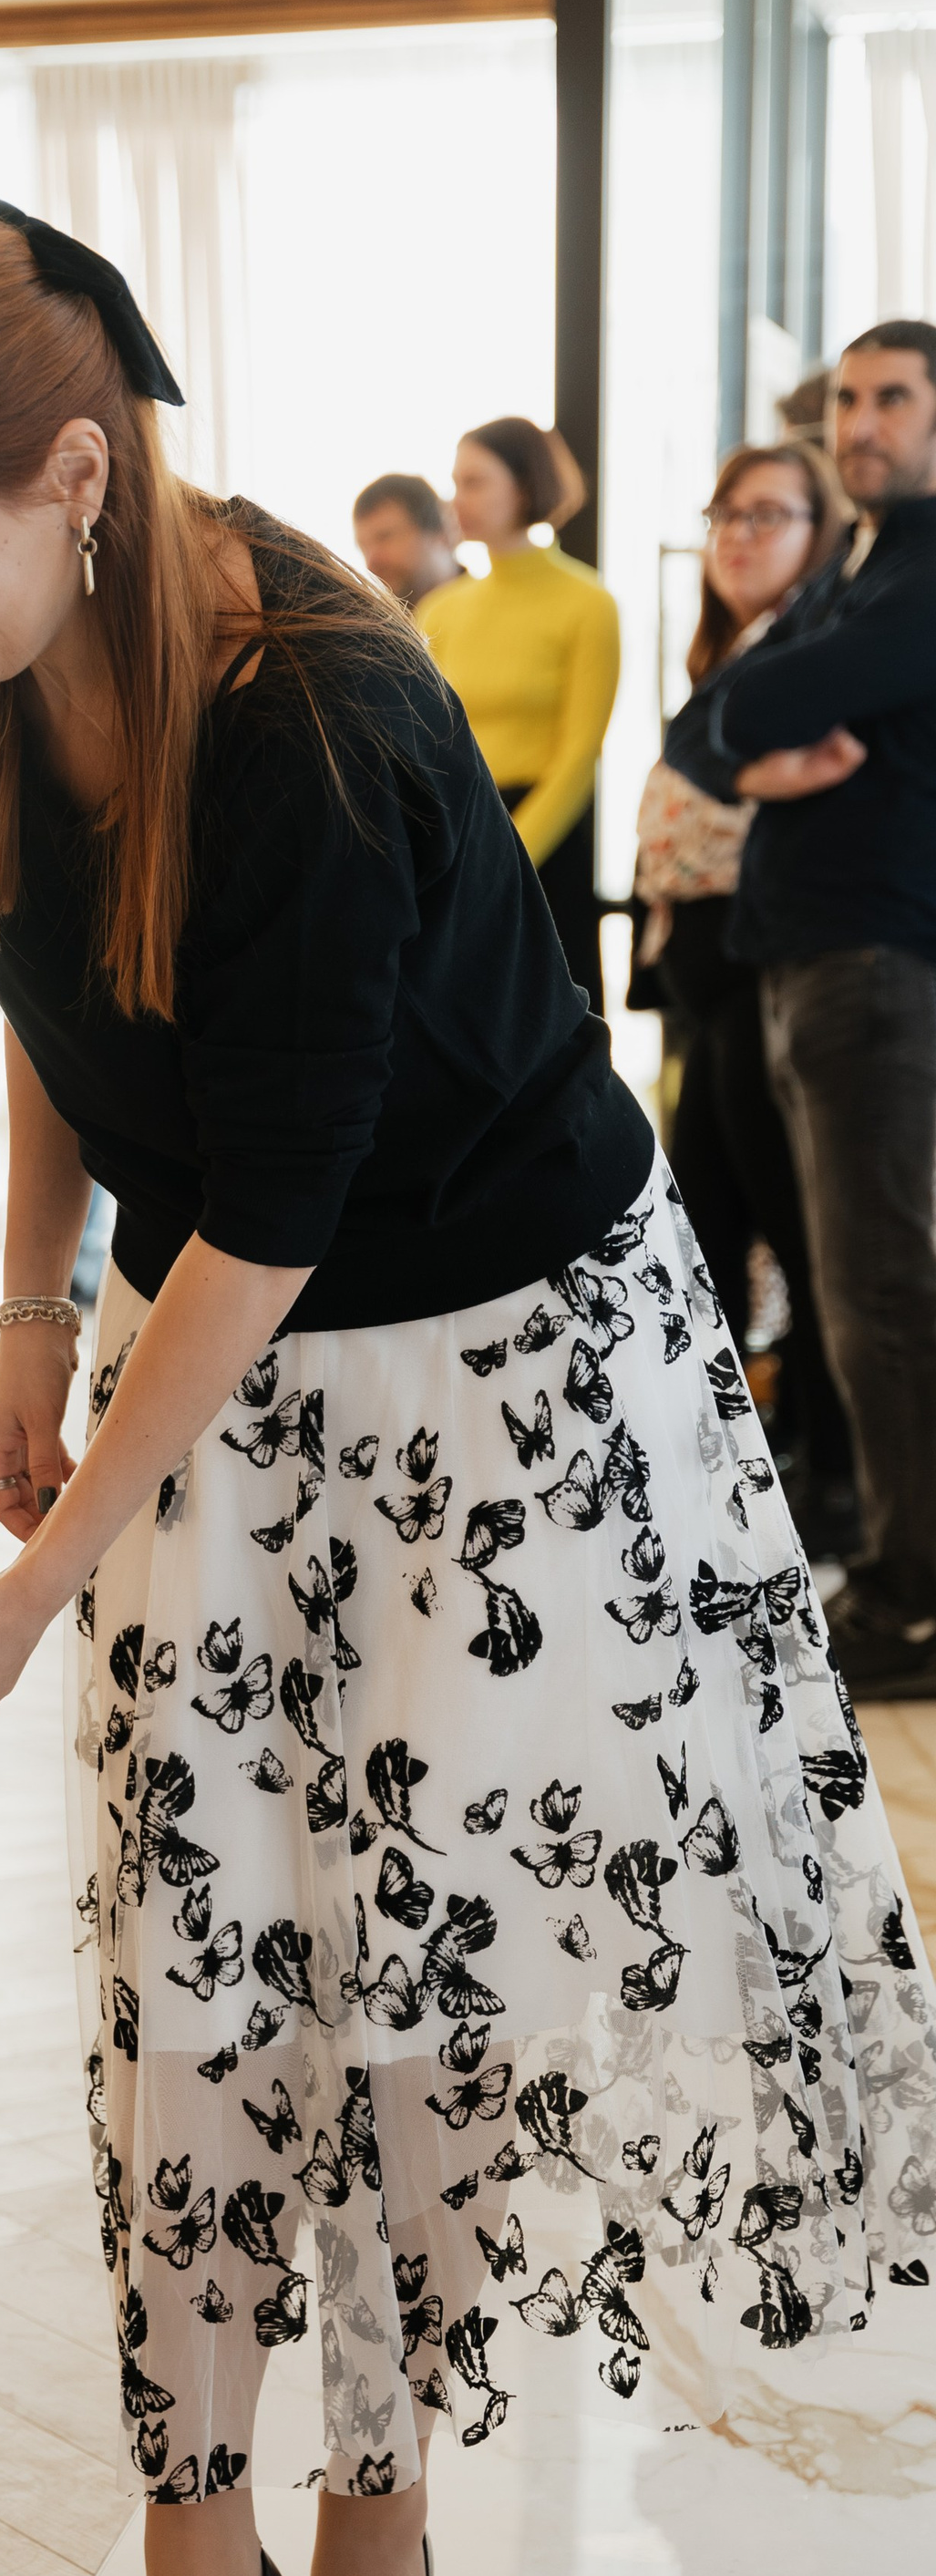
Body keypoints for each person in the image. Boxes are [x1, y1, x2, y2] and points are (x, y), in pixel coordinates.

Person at [0, 190, 936, 2576]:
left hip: (495, 1393)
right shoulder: (4, 655)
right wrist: (28, 1323)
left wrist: (40, 1575)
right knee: (188, 1989)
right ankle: (194, 2556)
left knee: (415, 2008)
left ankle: (368, 2512)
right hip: (229, 1365)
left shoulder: (317, 724)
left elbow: (271, 1210)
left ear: (72, 470)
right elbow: (57, 977)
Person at [664, 322, 936, 1697]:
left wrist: (738, 729)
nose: (862, 421)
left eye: (892, 396)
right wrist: (751, 759)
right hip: (806, 964)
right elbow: (707, 721)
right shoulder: (859, 569)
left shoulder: (921, 573)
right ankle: (888, 1567)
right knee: (846, 1284)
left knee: (880, 1289)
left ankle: (912, 1599)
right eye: (849, 399)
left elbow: (763, 694)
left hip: (878, 964)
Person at [636, 440, 855, 1556]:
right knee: (713, 1221)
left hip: (763, 953)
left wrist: (732, 770)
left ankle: (828, 1480)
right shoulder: (736, 650)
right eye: (726, 512)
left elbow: (829, 758)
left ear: (820, 536)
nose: (736, 534)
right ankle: (738, 1470)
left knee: (795, 1234)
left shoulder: (819, 638)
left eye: (767, 515)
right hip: (704, 963)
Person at [418, 417, 621, 1010]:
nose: (458, 500)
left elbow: (580, 756)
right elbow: (423, 745)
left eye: (476, 481)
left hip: (542, 847)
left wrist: (504, 858)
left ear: (526, 486)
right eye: (455, 483)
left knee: (552, 1033)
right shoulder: (440, 610)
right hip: (457, 836)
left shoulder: (588, 603)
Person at [350, 474, 459, 609]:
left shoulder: (491, 609)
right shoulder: (373, 626)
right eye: (363, 548)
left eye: (385, 537)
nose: (372, 561)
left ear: (440, 532)